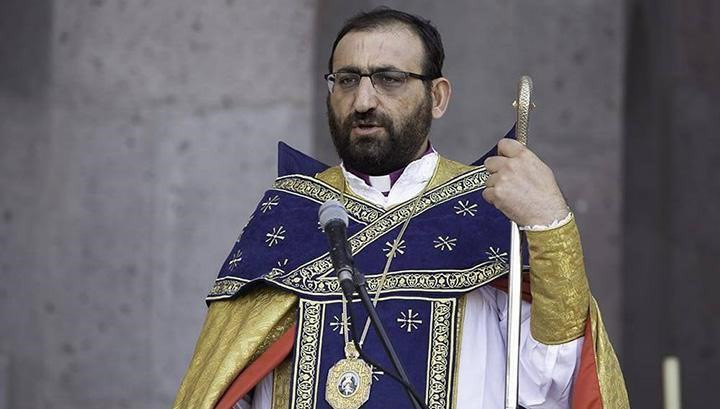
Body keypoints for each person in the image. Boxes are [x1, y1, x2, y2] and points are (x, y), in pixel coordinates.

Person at [173, 7, 628, 409]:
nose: (363, 101)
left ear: (437, 97)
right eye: (346, 80)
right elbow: (227, 390)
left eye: (389, 79)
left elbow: (550, 383)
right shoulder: (289, 215)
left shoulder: (489, 213)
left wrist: (550, 225)